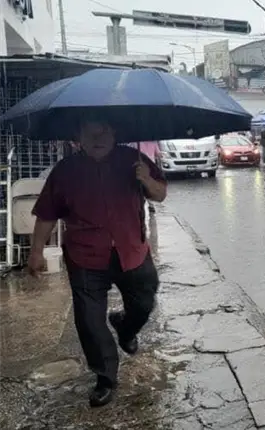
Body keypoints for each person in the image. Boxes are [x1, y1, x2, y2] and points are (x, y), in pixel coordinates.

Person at [28, 119, 167, 408]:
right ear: (77, 136)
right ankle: (105, 377)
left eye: (104, 130)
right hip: (85, 256)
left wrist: (147, 179)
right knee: (90, 322)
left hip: (132, 250)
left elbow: (160, 194)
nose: (97, 137)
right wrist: (36, 251)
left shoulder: (134, 159)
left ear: (115, 133)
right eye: (89, 131)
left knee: (144, 300)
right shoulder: (65, 171)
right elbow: (46, 214)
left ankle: (126, 328)